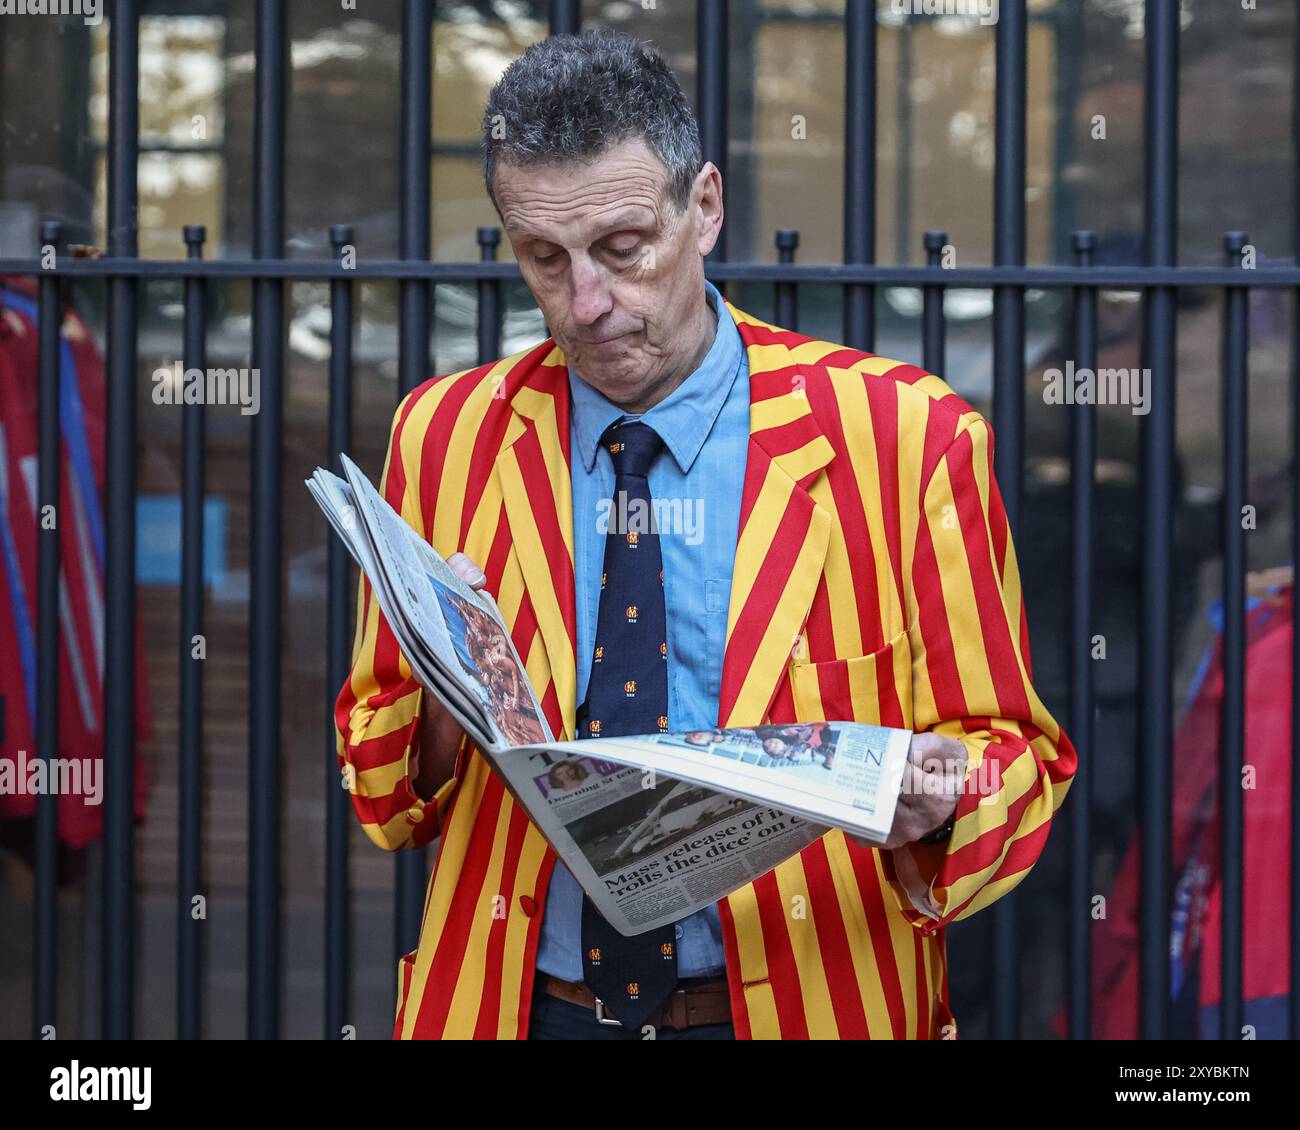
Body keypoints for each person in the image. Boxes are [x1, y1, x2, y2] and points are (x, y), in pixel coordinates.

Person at [335, 29, 1076, 1040]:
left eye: (623, 248)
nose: (586, 303)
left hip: (813, 1003)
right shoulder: (445, 434)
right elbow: (380, 794)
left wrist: (938, 796)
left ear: (707, 208)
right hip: (524, 1006)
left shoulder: (907, 437)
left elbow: (1016, 761)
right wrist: (448, 690)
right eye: (544, 258)